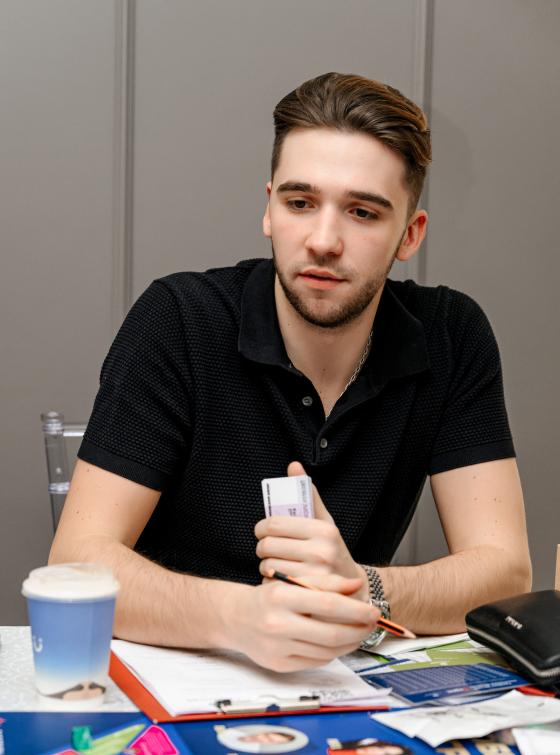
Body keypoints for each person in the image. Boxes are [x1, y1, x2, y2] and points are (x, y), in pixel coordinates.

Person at [49, 71, 531, 672]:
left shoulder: (451, 334)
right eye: (300, 203)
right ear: (269, 209)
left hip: (339, 683)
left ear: (410, 235)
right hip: (174, 674)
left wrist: (363, 588)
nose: (323, 240)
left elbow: (505, 573)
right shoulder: (179, 319)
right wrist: (240, 616)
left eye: (362, 212)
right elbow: (77, 562)